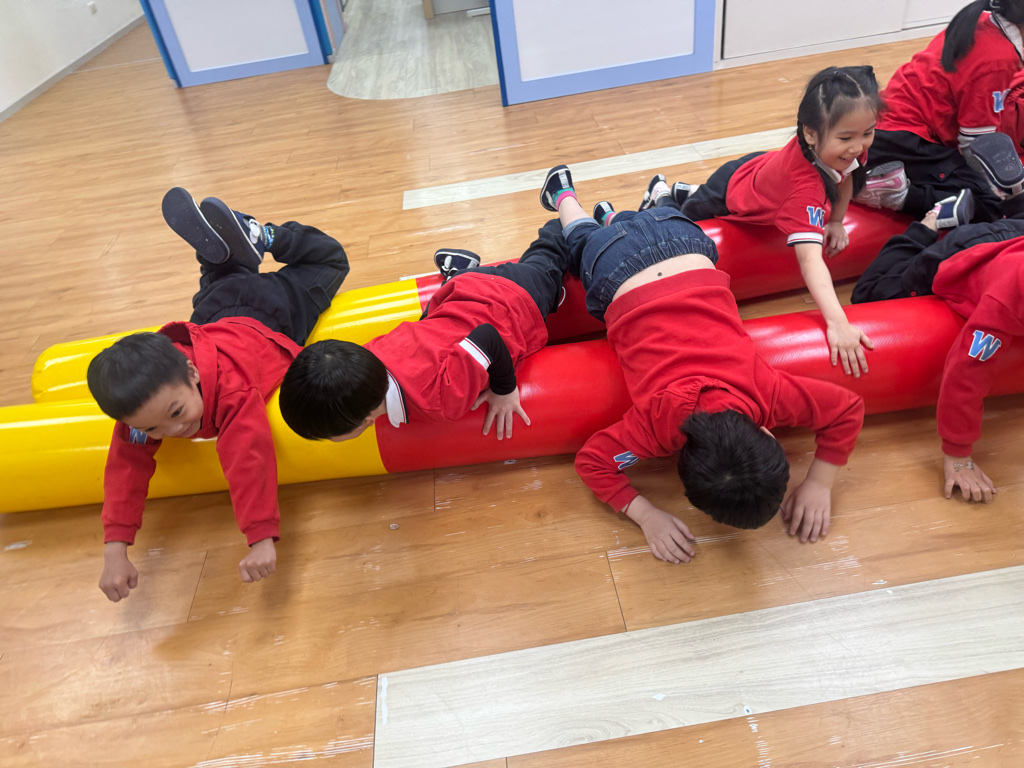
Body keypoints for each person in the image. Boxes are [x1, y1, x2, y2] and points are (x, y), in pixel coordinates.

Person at [539, 164, 865, 564]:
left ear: (768, 432)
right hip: (615, 263)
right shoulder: (657, 429)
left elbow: (847, 410)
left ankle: (635, 209)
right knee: (580, 244)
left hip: (685, 239)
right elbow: (593, 463)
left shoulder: (769, 395)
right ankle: (564, 197)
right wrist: (645, 515)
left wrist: (819, 481)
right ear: (680, 458)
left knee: (630, 230)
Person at [87, 188, 350, 602]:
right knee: (222, 279)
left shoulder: (232, 392)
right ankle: (223, 257)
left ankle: (263, 236)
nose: (173, 431)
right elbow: (125, 467)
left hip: (272, 312)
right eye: (153, 429)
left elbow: (248, 457)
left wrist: (260, 537)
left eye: (176, 412)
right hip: (212, 310)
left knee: (331, 260)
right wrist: (114, 550)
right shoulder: (146, 404)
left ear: (191, 372)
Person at [669, 66, 898, 377]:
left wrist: (836, 222)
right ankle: (665, 196)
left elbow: (847, 176)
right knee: (676, 227)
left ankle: (683, 191)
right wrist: (838, 322)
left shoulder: (844, 150)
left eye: (867, 133)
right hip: (728, 193)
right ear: (810, 133)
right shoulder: (803, 191)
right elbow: (810, 261)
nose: (858, 146)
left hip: (762, 170)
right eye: (846, 137)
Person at [277, 221, 573, 444]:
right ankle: (460, 272)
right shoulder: (369, 354)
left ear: (366, 422)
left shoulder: (439, 401)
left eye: (330, 439)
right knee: (430, 320)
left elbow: (488, 337)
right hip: (461, 291)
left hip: (515, 297)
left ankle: (564, 211)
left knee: (549, 262)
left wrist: (504, 390)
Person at [852, 197, 1024, 503]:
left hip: (1012, 235)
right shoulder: (1005, 301)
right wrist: (958, 455)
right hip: (960, 253)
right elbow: (966, 374)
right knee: (866, 295)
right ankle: (931, 221)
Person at [857, 0, 1024, 221]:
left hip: (884, 123)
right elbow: (975, 144)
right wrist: (996, 186)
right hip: (905, 139)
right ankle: (899, 195)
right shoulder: (998, 58)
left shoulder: (979, 22)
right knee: (992, 205)